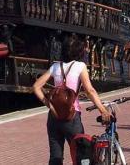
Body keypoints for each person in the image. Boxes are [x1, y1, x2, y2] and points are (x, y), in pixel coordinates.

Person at [33, 35, 111, 165]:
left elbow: (36, 87)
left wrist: (49, 105)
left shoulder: (55, 67)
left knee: (55, 157)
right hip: (72, 117)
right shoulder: (80, 66)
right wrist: (102, 110)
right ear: (79, 52)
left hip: (54, 117)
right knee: (82, 155)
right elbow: (90, 91)